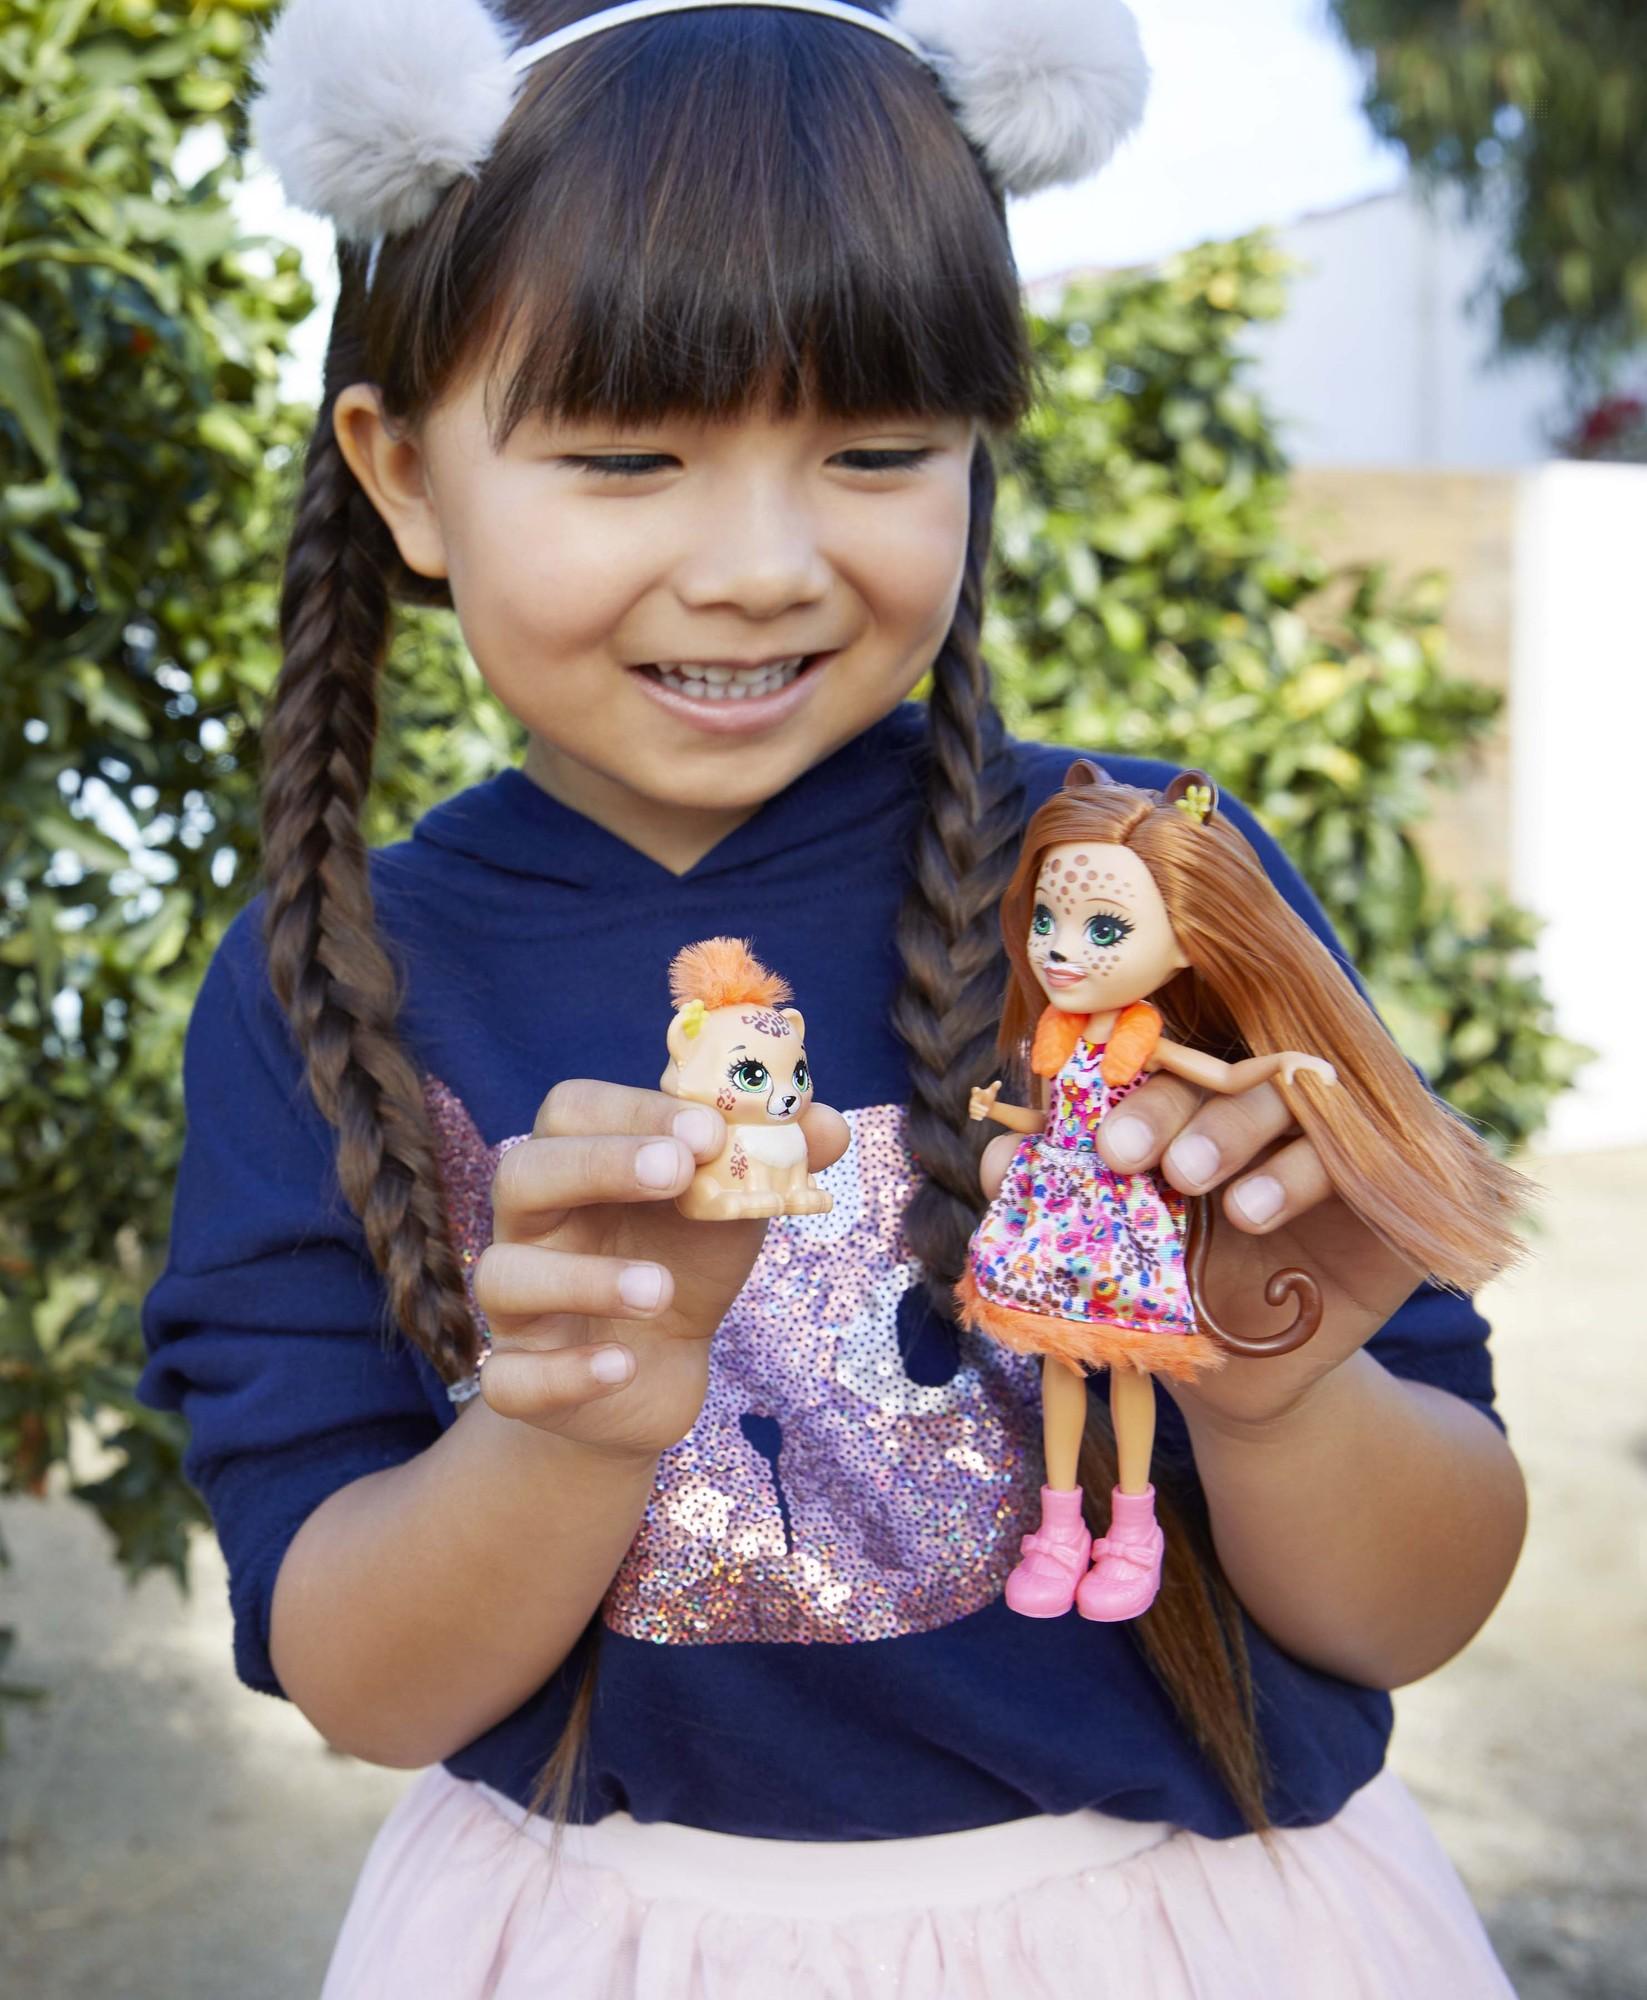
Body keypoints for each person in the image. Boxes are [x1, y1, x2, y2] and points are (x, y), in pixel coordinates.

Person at [136, 2, 1527, 1992]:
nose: (760, 565)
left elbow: (1418, 1603)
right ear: (406, 473)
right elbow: (359, 1678)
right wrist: (567, 1432)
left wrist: (1278, 1374)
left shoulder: (1140, 892)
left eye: (878, 450)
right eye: (628, 457)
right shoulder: (329, 982)